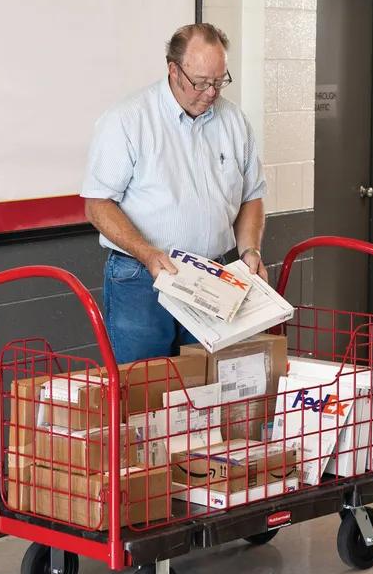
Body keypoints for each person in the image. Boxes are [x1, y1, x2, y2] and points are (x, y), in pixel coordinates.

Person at [81, 22, 267, 363]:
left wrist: (250, 250)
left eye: (218, 81)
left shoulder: (234, 121)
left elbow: (251, 197)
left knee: (208, 394)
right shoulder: (128, 120)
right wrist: (148, 254)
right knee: (144, 391)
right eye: (200, 83)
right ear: (173, 70)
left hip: (212, 276)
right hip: (141, 277)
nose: (211, 93)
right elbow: (97, 205)